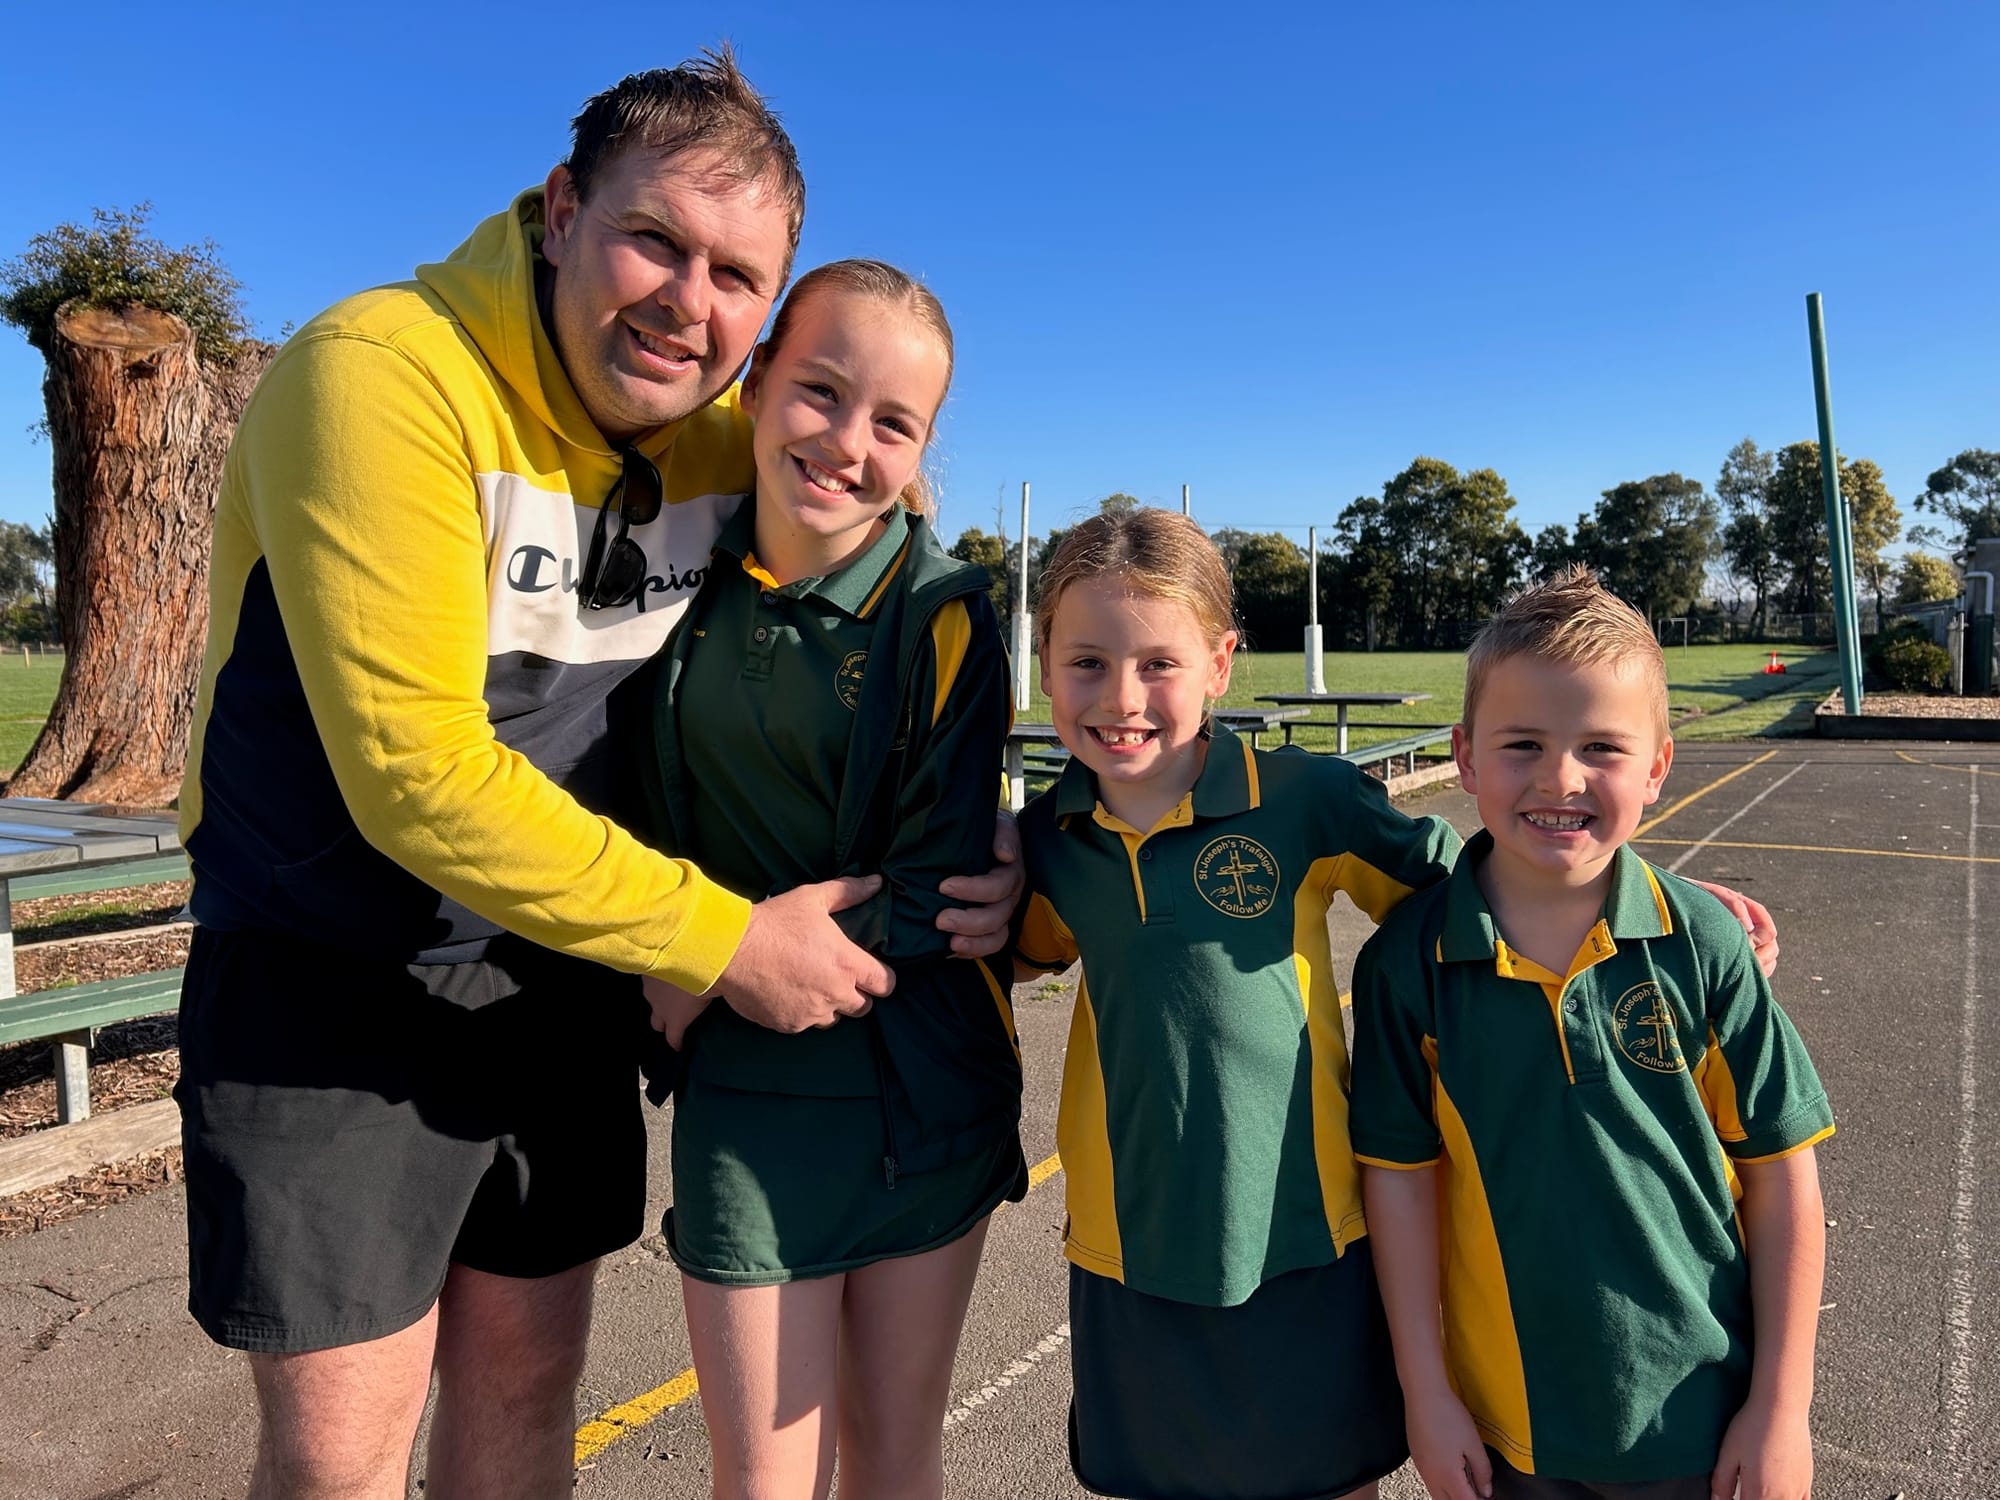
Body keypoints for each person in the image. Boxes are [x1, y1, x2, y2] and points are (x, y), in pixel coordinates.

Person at [173, 55, 1021, 1500]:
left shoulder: (713, 435)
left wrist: (983, 845)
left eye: (738, 275)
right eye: (658, 241)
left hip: (558, 969)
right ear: (563, 210)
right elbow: (417, 777)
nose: (691, 303)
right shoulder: (380, 373)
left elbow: (864, 562)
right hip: (336, 981)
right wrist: (724, 941)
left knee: (525, 1386)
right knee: (340, 1458)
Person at [638, 258, 1023, 1500]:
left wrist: (722, 947)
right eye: (819, 391)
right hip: (745, 1093)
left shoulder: (947, 618)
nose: (846, 444)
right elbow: (601, 809)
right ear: (751, 384)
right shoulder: (659, 575)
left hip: (921, 1095)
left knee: (895, 1466)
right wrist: (673, 953)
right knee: (759, 1486)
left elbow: (947, 887)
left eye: (893, 423)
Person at [1351, 565, 1833, 1500]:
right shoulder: (1407, 967)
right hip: (1508, 1429)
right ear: (1465, 756)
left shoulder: (1703, 944)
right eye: (1522, 743)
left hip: (1704, 1415)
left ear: (1657, 766)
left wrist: (1781, 1412)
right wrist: (1427, 1395)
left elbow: (1783, 1181)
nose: (1560, 779)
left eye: (1602, 748)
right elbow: (1400, 1193)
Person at [1010, 509, 1458, 1500]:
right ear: (1042, 661)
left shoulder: (1305, 800)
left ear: (1219, 663)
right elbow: (1007, 957)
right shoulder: (1043, 840)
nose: (1120, 699)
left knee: (1328, 1478)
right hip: (1128, 1244)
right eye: (1084, 662)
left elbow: (1473, 895)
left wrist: (1667, 909)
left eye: (1156, 665)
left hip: (1306, 1229)